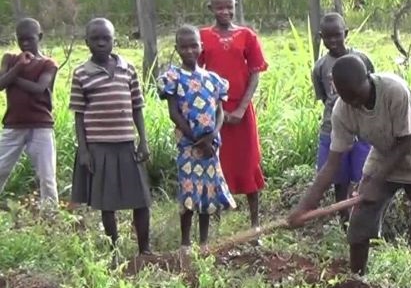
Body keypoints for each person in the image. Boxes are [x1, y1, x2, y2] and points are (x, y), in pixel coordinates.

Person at [288, 55, 411, 287]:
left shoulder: (394, 90)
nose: (355, 103)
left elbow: (405, 143)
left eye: (358, 95)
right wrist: (304, 207)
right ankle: (357, 285)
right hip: (385, 154)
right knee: (359, 222)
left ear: (368, 77)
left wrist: (375, 182)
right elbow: (332, 165)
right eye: (348, 98)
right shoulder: (342, 110)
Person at [69, 18, 151, 256]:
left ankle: (144, 250)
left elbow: (137, 106)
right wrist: (83, 150)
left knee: (142, 200)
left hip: (127, 144)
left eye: (106, 38)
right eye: (95, 39)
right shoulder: (82, 74)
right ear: (87, 42)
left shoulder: (128, 69)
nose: (101, 43)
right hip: (99, 147)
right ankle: (115, 249)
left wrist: (143, 140)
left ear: (115, 40)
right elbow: (79, 115)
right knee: (107, 202)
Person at [158, 25, 236, 251]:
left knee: (207, 192)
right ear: (177, 49)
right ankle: (185, 243)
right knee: (189, 190)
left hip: (211, 145)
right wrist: (195, 138)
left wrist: (212, 135)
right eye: (184, 47)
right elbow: (174, 113)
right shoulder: (173, 78)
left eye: (194, 45)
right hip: (188, 145)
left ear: (201, 47)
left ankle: (203, 242)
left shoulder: (213, 79)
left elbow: (219, 111)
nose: (190, 50)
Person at [199, 0, 268, 229]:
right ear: (211, 9)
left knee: (248, 162)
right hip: (213, 110)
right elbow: (197, 75)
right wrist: (214, 109)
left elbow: (255, 73)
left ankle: (255, 224)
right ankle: (215, 222)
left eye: (230, 6)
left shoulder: (247, 36)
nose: (225, 11)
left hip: (241, 110)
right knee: (217, 162)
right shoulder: (202, 37)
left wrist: (240, 109)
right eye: (219, 7)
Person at [312, 12, 374, 225]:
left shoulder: (362, 59)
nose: (333, 42)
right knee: (339, 176)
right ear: (321, 37)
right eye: (327, 38)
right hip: (333, 127)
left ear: (345, 33)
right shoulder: (320, 67)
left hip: (362, 127)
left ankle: (363, 218)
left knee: (363, 174)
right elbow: (324, 99)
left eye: (337, 36)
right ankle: (343, 220)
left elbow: (372, 88)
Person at [0, 18, 59, 208]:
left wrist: (12, 77)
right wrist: (18, 67)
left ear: (40, 37)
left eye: (30, 39)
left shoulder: (48, 63)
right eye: (21, 40)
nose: (25, 44)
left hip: (41, 126)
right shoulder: (9, 59)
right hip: (13, 125)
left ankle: (51, 217)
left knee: (47, 177)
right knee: (0, 168)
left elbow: (39, 88)